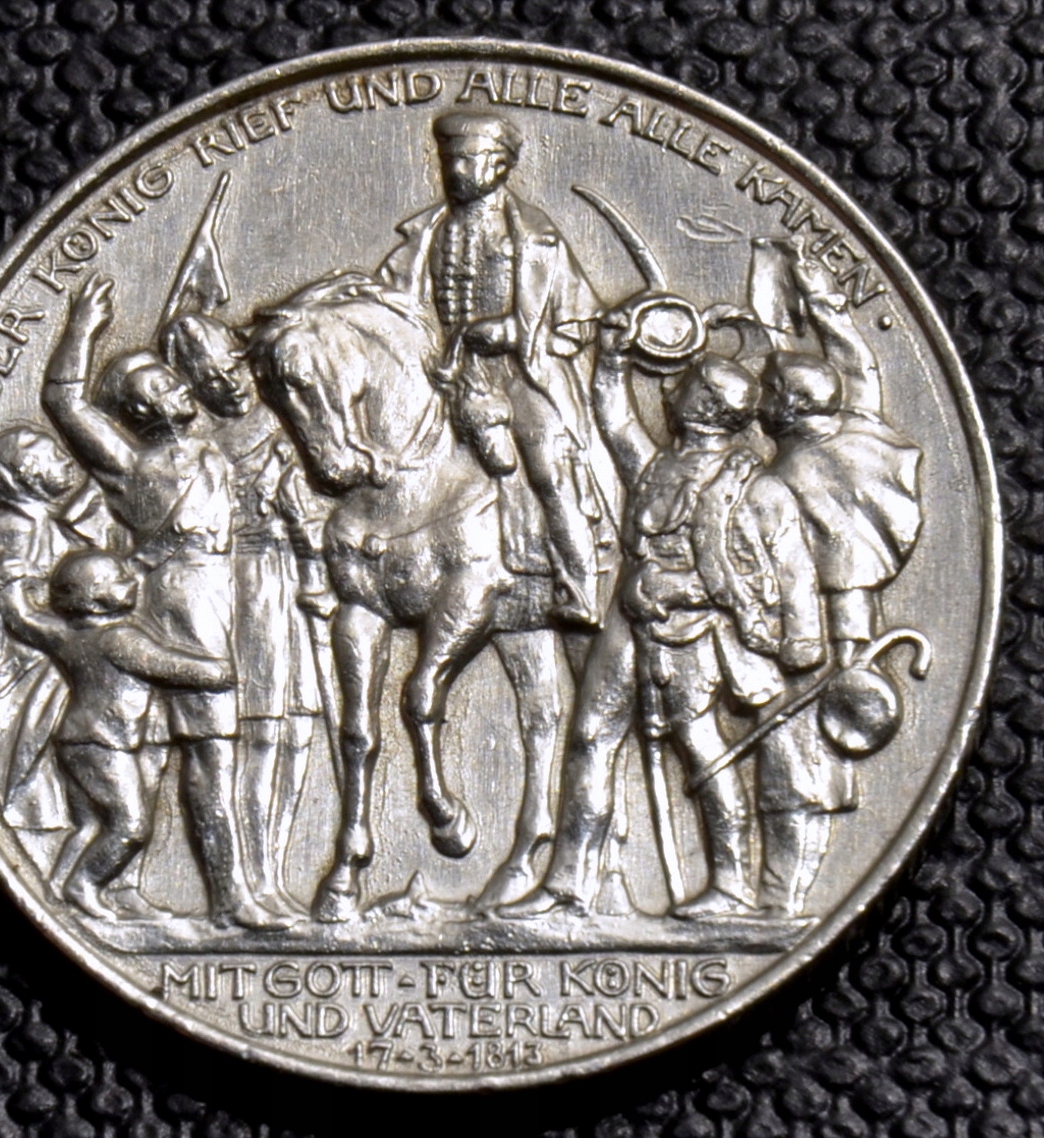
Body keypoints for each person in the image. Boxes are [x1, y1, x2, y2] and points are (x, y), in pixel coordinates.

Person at [507, 333, 823, 919]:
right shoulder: (657, 466)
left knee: (701, 748)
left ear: (702, 405)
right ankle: (569, 883)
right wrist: (612, 359)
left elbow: (791, 573)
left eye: (683, 384)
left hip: (698, 633)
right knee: (590, 738)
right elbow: (614, 418)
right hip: (630, 625)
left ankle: (731, 885)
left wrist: (798, 641)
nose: (669, 389)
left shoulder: (758, 490)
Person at [41, 273, 280, 930]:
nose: (177, 389)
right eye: (158, 388)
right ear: (137, 412)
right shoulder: (128, 464)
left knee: (202, 748)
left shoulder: (217, 445)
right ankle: (227, 897)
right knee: (206, 750)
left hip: (227, 594)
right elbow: (63, 402)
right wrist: (81, 329)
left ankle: (140, 883)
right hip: (178, 604)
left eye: (173, 381)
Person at [378, 111, 609, 629]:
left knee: (548, 473)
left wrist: (514, 332)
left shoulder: (538, 238)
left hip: (522, 374)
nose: (456, 170)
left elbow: (577, 324)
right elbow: (392, 308)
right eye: (450, 160)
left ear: (500, 166)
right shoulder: (424, 235)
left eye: (469, 159)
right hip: (444, 372)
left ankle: (580, 589)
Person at [752, 250, 923, 918]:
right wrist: (822, 303)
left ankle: (780, 899)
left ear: (791, 407)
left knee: (793, 769)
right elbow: (857, 365)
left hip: (814, 643)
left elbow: (842, 572)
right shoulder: (865, 431)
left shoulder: (795, 476)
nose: (758, 401)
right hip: (828, 636)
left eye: (768, 392)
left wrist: (847, 659)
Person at [164, 311, 334, 918]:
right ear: (193, 387)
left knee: (297, 731)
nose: (227, 384)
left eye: (230, 368)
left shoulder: (290, 412)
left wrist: (309, 532)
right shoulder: (197, 443)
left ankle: (273, 873)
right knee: (260, 731)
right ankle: (249, 875)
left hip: (295, 581)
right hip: (241, 585)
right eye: (208, 380)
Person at [0, 550, 235, 920]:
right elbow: (168, 665)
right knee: (130, 827)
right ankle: (83, 885)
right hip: (103, 744)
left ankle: (54, 893)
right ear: (92, 596)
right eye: (118, 578)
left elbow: (22, 621)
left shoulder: (64, 634)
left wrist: (9, 587)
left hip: (77, 743)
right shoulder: (120, 639)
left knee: (92, 825)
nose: (131, 581)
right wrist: (218, 672)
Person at [0, 426, 86, 830]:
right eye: (52, 454)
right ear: (25, 473)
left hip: (55, 666)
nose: (66, 459)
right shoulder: (9, 530)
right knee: (29, 754)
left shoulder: (50, 529)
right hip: (25, 670)